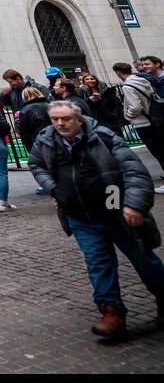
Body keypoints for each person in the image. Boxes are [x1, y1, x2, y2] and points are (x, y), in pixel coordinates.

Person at [29, 100, 164, 341]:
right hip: (79, 216)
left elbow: (134, 171)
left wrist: (133, 204)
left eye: (65, 119)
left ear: (79, 119)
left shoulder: (103, 137)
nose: (60, 124)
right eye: (55, 119)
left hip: (114, 210)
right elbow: (36, 165)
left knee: (144, 259)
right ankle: (112, 313)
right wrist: (54, 188)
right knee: (98, 263)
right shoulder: (45, 140)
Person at [115, 61, 164, 194]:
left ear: (118, 73)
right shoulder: (142, 80)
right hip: (155, 119)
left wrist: (127, 115)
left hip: (143, 123)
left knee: (158, 152)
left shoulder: (127, 86)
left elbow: (135, 106)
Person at [14, 86, 52, 154]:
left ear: (24, 97)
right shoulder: (50, 105)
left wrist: (17, 121)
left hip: (38, 141)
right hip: (53, 138)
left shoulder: (26, 110)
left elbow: (24, 131)